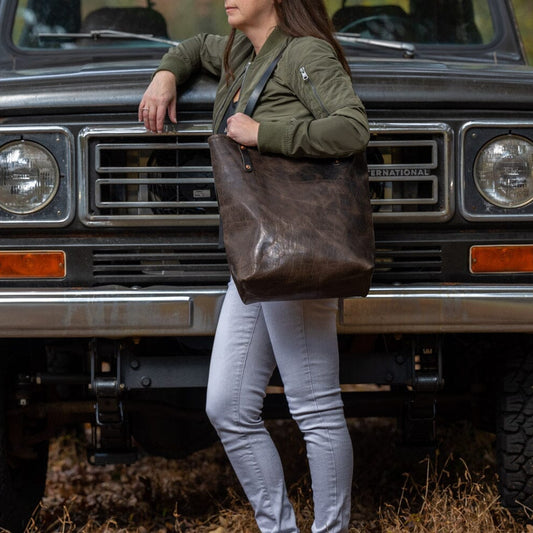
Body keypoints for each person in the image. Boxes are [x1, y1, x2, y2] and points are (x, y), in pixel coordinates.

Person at [139, 1, 369, 531]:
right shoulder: (242, 50)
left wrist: (264, 133)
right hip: (257, 253)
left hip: (297, 247)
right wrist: (166, 75)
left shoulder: (305, 53)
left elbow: (353, 127)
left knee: (314, 408)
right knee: (226, 407)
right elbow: (194, 48)